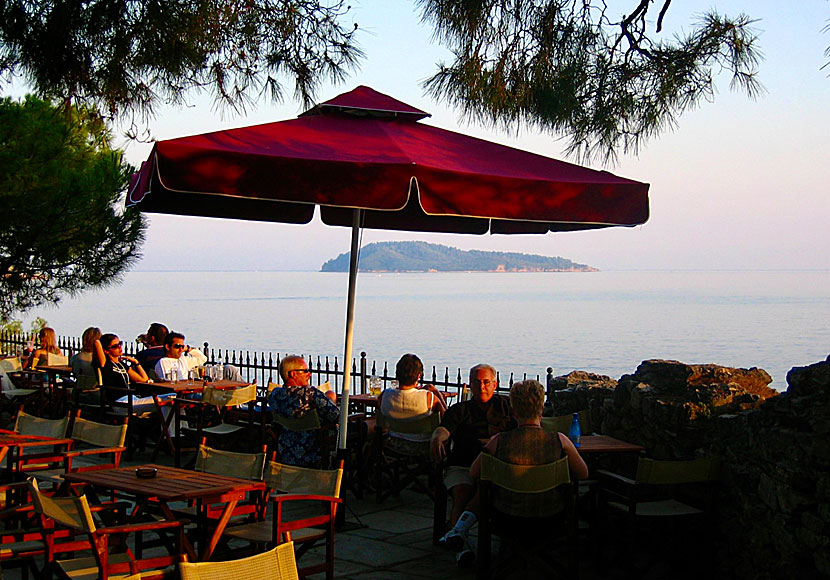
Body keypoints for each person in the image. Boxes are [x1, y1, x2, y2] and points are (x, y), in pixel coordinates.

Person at [443, 379, 589, 562]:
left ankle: (459, 530)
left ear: (513, 411)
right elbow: (583, 473)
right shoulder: (560, 441)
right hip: (551, 517)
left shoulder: (498, 441)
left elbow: (473, 473)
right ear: (542, 409)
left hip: (506, 517)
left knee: (484, 489)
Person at [430, 364, 515, 540]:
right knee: (462, 492)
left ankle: (459, 533)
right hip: (463, 465)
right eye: (477, 383)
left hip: (498, 468)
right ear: (470, 385)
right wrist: (437, 437)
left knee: (490, 489)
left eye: (486, 382)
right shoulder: (460, 410)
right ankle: (459, 543)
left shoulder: (507, 407)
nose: (481, 387)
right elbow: (445, 429)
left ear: (495, 384)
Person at [267, 355, 339, 467]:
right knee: (370, 425)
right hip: (314, 449)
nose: (309, 374)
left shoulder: (275, 394)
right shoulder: (311, 395)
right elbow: (337, 416)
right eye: (305, 371)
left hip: (286, 449)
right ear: (293, 374)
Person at [379, 354, 447, 453]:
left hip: (394, 446)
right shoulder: (428, 398)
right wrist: (437, 393)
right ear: (419, 376)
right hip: (423, 447)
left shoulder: (384, 396)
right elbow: (447, 418)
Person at [93, 333, 149, 403]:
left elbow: (144, 380)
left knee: (164, 400)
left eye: (120, 344)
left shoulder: (122, 365)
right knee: (161, 401)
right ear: (106, 351)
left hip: (131, 398)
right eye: (115, 346)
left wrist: (136, 363)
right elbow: (96, 342)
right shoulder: (106, 363)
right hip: (119, 401)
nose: (119, 347)